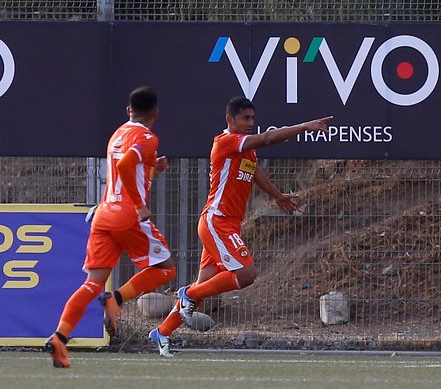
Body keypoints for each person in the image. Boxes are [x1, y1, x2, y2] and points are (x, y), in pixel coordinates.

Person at [148, 97, 331, 357]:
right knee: (246, 274)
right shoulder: (225, 141)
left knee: (205, 286)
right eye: (245, 119)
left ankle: (163, 332)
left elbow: (254, 171)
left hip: (226, 225)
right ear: (229, 120)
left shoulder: (245, 149)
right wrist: (304, 126)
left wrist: (277, 196)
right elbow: (267, 140)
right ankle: (187, 293)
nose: (250, 124)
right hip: (217, 221)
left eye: (253, 119)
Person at [45, 86, 176, 368]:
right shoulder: (148, 137)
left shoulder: (118, 133)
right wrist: (139, 204)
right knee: (166, 268)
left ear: (128, 110)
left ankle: (59, 337)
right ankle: (116, 298)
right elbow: (129, 163)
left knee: (92, 283)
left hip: (104, 214)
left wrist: (154, 165)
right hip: (127, 215)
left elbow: (129, 163)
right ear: (156, 113)